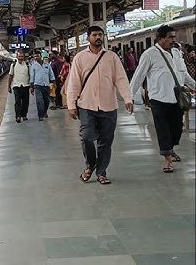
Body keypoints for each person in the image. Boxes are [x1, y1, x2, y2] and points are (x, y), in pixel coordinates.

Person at [67, 26, 133, 185]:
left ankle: (101, 172)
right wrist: (71, 104)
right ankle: (90, 165)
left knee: (106, 141)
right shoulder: (80, 58)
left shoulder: (112, 57)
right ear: (88, 38)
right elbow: (74, 82)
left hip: (109, 105)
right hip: (87, 105)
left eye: (100, 35)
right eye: (94, 35)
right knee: (87, 136)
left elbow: (121, 79)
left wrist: (127, 98)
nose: (98, 37)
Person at [129, 25, 196, 173]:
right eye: (170, 37)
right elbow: (139, 76)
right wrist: (129, 97)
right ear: (161, 38)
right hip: (158, 98)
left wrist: (194, 85)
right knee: (163, 128)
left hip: (176, 98)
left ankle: (170, 149)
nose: (173, 40)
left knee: (177, 128)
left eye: (174, 37)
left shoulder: (177, 53)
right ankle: (167, 159)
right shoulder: (149, 54)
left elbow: (183, 74)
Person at [29, 51, 55, 121]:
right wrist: (31, 86)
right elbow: (32, 76)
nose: (36, 58)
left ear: (41, 56)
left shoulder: (47, 65)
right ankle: (40, 115)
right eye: (34, 57)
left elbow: (51, 74)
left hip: (46, 85)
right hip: (37, 85)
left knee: (46, 101)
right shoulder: (33, 66)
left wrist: (53, 82)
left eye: (37, 56)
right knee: (39, 101)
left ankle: (44, 112)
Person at [8, 50, 30, 122]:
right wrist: (9, 86)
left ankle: (24, 115)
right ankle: (18, 116)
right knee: (17, 102)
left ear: (24, 57)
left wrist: (32, 85)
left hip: (26, 85)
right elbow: (10, 76)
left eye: (22, 56)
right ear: (17, 57)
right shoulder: (13, 65)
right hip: (16, 86)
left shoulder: (28, 65)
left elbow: (30, 75)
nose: (20, 58)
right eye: (19, 56)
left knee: (25, 102)